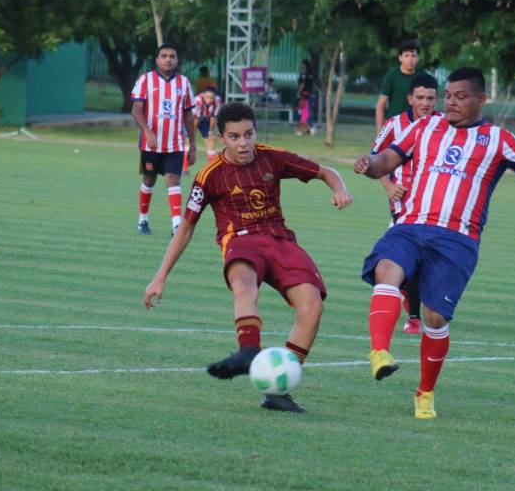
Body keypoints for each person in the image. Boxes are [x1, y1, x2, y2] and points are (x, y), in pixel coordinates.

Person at [354, 67, 515, 420]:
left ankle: (425, 393)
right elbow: (386, 161)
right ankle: (379, 352)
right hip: (411, 225)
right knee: (387, 270)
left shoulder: (499, 139)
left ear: (481, 99)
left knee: (435, 316)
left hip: (457, 239)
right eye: (448, 97)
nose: (451, 103)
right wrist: (368, 165)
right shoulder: (424, 127)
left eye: (461, 97)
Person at [143, 102, 353, 413]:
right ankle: (248, 350)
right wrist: (160, 276)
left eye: (248, 134)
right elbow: (186, 227)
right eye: (234, 136)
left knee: (312, 306)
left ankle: (278, 388)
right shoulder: (209, 176)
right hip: (240, 241)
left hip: (279, 239)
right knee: (244, 283)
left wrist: (340, 188)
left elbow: (326, 172)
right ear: (221, 137)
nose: (243, 143)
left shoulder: (273, 157)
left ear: (255, 132)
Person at [370, 73, 441, 335]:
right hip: (404, 205)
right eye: (420, 97)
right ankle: (413, 316)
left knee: (426, 262)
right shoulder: (394, 125)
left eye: (430, 98)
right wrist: (389, 186)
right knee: (407, 257)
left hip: (435, 205)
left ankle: (413, 304)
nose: (425, 103)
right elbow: (374, 158)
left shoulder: (445, 125)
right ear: (410, 98)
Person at [132, 44, 196, 236]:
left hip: (174, 143)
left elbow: (188, 116)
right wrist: (147, 131)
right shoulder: (145, 80)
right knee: (149, 179)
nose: (168, 59)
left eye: (172, 56)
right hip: (150, 143)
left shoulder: (184, 83)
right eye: (164, 56)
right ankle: (143, 220)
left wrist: (192, 145)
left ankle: (176, 225)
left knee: (173, 179)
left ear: (177, 60)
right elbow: (136, 110)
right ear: (157, 60)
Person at [375, 40, 420, 136]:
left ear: (418, 58)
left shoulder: (421, 77)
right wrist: (380, 133)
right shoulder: (391, 76)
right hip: (395, 127)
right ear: (400, 58)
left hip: (417, 127)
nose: (410, 59)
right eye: (406, 56)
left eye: (413, 56)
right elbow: (380, 105)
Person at [193, 86, 223, 161]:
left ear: (215, 97)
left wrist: (210, 131)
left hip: (206, 120)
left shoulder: (218, 100)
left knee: (211, 140)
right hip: (192, 120)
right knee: (188, 141)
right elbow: (195, 119)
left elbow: (213, 117)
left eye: (212, 97)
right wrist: (192, 135)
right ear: (203, 95)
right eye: (207, 97)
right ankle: (185, 169)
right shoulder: (197, 100)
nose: (209, 100)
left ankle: (211, 167)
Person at [295, 59, 316, 136]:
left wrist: (298, 93)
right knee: (305, 114)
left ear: (305, 65)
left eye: (302, 64)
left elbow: (302, 84)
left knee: (304, 114)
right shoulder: (310, 74)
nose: (300, 65)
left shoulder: (305, 74)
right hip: (309, 95)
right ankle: (306, 130)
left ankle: (303, 130)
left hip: (305, 96)